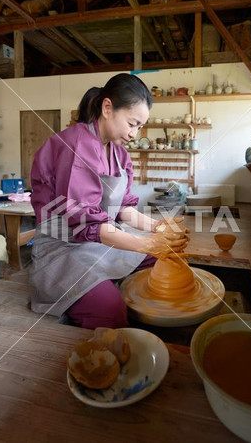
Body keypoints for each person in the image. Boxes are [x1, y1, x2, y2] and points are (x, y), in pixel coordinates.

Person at [30, 73, 189, 329]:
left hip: (96, 241)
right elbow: (87, 223)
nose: (135, 133)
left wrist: (159, 227)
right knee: (110, 312)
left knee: (166, 259)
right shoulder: (76, 145)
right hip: (63, 249)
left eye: (140, 127)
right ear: (107, 108)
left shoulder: (119, 153)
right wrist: (145, 243)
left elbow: (123, 207)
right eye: (132, 123)